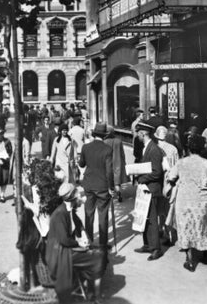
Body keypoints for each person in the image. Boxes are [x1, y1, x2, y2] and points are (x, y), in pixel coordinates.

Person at [167, 134, 207, 271]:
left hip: (184, 201)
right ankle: (206, 254)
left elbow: (171, 177)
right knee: (204, 227)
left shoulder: (181, 162)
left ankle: (190, 260)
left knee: (186, 227)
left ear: (189, 148)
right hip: (204, 202)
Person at [46, 183, 106, 304]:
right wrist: (80, 243)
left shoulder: (69, 210)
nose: (80, 195)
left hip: (66, 248)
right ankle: (95, 295)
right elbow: (64, 240)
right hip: (60, 253)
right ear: (72, 197)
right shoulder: (59, 214)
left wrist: (84, 237)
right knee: (98, 256)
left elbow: (78, 225)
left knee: (99, 251)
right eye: (77, 193)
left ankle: (92, 292)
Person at [78, 122, 114, 250]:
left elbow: (81, 164)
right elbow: (109, 171)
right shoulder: (108, 149)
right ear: (104, 136)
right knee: (103, 215)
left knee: (89, 214)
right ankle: (103, 244)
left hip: (88, 185)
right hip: (103, 186)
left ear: (94, 134)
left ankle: (89, 241)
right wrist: (112, 187)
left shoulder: (85, 147)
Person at [133, 120, 164, 261]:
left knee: (151, 219)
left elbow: (157, 172)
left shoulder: (154, 149)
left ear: (143, 133)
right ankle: (147, 244)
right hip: (146, 188)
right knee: (144, 217)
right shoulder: (146, 147)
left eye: (138, 133)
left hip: (152, 188)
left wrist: (142, 179)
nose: (137, 136)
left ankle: (156, 248)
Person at [154, 125, 179, 243]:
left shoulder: (154, 148)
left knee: (159, 207)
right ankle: (168, 233)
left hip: (158, 181)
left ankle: (161, 229)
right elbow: (177, 166)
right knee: (168, 207)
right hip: (170, 181)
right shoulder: (173, 148)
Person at [104, 125, 128, 202]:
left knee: (109, 177)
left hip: (108, 162)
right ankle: (118, 192)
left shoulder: (104, 142)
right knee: (117, 179)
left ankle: (110, 192)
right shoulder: (118, 141)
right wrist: (124, 162)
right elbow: (122, 153)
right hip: (118, 161)